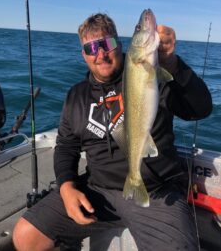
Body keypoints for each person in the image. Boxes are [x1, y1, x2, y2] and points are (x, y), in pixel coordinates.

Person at [13, 13, 212, 251]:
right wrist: (66, 187)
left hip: (157, 192)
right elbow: (66, 147)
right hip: (98, 190)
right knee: (25, 235)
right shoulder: (76, 96)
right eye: (91, 47)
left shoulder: (151, 73)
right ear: (83, 55)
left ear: (120, 44)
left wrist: (173, 64)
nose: (100, 53)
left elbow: (199, 109)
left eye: (107, 44)